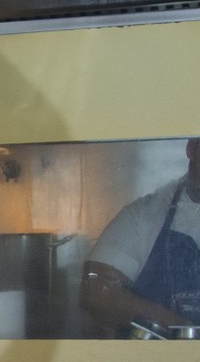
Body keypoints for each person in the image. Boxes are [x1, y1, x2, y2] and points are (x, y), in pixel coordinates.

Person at [81, 140, 200, 330]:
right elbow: (96, 292)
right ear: (192, 149)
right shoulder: (144, 215)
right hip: (156, 358)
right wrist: (182, 330)